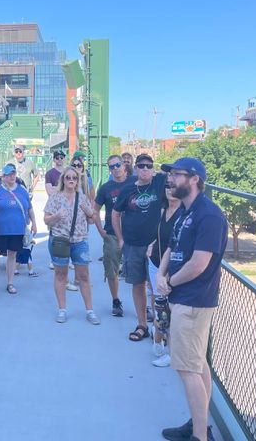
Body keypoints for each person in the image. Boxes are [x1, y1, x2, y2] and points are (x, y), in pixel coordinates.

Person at [156, 158, 227, 441]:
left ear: (194, 179)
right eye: (170, 175)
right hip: (179, 296)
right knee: (197, 365)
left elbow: (199, 264)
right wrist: (161, 275)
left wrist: (169, 282)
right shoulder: (186, 211)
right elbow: (171, 248)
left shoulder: (208, 215)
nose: (170, 180)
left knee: (187, 369)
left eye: (176, 175)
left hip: (194, 301)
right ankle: (200, 424)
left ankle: (200, 436)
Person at [112, 153, 167, 342]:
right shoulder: (128, 190)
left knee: (156, 286)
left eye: (149, 166)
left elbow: (173, 173)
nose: (145, 169)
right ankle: (142, 324)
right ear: (135, 169)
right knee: (138, 284)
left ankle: (158, 329)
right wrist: (120, 239)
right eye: (141, 166)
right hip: (133, 245)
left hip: (155, 245)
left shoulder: (159, 183)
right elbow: (115, 213)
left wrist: (158, 171)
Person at [44, 165, 103, 325]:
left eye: (74, 178)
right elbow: (46, 220)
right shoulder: (55, 197)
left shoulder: (82, 198)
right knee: (61, 275)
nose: (71, 180)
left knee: (83, 276)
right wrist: (56, 215)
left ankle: (89, 310)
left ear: (78, 181)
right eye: (68, 177)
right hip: (60, 241)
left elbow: (91, 220)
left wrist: (89, 212)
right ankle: (62, 309)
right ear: (63, 180)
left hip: (80, 241)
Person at [0, 163, 37, 295]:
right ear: (3, 176)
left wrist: (34, 223)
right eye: (9, 174)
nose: (12, 176)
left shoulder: (22, 190)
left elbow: (29, 208)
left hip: (17, 229)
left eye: (13, 174)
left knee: (12, 255)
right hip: (0, 229)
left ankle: (10, 283)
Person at [93, 154, 137, 317]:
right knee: (111, 269)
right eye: (112, 166)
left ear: (124, 166)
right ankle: (116, 300)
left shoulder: (134, 183)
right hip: (112, 233)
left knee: (139, 271)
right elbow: (95, 210)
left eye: (118, 165)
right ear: (109, 169)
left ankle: (144, 305)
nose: (116, 168)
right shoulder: (106, 188)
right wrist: (101, 231)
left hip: (133, 233)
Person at [148, 186, 183, 368]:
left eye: (174, 187)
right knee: (159, 305)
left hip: (172, 269)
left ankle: (170, 350)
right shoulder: (163, 209)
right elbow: (160, 236)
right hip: (156, 265)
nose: (170, 190)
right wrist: (151, 244)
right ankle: (158, 339)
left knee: (170, 309)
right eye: (167, 186)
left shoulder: (184, 214)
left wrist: (169, 271)